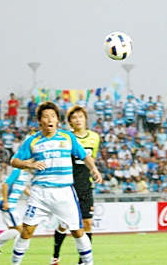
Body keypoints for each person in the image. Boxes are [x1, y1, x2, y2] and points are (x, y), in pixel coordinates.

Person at [10, 101, 102, 265]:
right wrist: (29, 164)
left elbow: (84, 155)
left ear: (57, 120)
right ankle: (15, 263)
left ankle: (89, 263)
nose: (50, 119)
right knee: (26, 232)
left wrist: (94, 168)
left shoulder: (67, 137)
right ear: (40, 121)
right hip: (40, 193)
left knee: (77, 231)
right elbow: (14, 160)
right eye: (46, 116)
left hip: (64, 192)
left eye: (53, 116)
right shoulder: (32, 141)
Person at [51, 105, 101, 265]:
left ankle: (83, 261)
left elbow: (91, 158)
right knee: (64, 225)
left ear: (85, 119)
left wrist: (93, 170)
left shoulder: (95, 137)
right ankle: (55, 256)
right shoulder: (65, 137)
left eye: (80, 116)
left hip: (86, 186)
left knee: (87, 223)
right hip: (67, 187)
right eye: (74, 117)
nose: (78, 120)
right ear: (70, 122)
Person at [0, 168, 30, 254]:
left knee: (12, 230)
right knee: (19, 230)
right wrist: (6, 201)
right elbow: (5, 184)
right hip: (9, 205)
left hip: (11, 204)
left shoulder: (25, 174)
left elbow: (23, 188)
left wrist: (33, 197)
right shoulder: (18, 171)